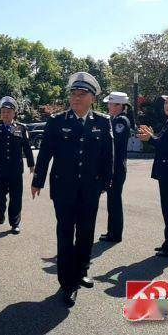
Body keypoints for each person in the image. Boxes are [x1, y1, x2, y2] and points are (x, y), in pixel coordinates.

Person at [31, 72, 113, 307]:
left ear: (92, 98)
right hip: (63, 188)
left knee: (86, 232)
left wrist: (107, 181)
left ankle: (82, 270)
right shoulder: (57, 121)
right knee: (65, 234)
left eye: (82, 94)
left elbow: (109, 155)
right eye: (73, 94)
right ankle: (68, 283)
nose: (76, 98)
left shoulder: (102, 121)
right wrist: (38, 180)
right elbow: (45, 153)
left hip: (90, 188)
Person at [137, 89, 168, 258]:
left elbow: (167, 147)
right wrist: (152, 136)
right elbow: (164, 142)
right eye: (166, 102)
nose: (167, 105)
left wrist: (150, 139)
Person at [0, 96, 35, 234]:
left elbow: (27, 147)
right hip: (0, 169)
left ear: (14, 113)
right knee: (0, 196)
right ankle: (1, 212)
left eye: (8, 111)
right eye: (3, 111)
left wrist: (31, 164)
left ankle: (14, 223)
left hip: (15, 169)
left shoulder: (20, 128)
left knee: (16, 197)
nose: (5, 114)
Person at [99, 92, 131, 243]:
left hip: (116, 167)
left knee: (115, 201)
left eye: (111, 104)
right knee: (112, 201)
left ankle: (115, 234)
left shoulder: (121, 121)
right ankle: (111, 231)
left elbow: (114, 144)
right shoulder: (114, 119)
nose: (108, 106)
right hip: (113, 166)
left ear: (119, 105)